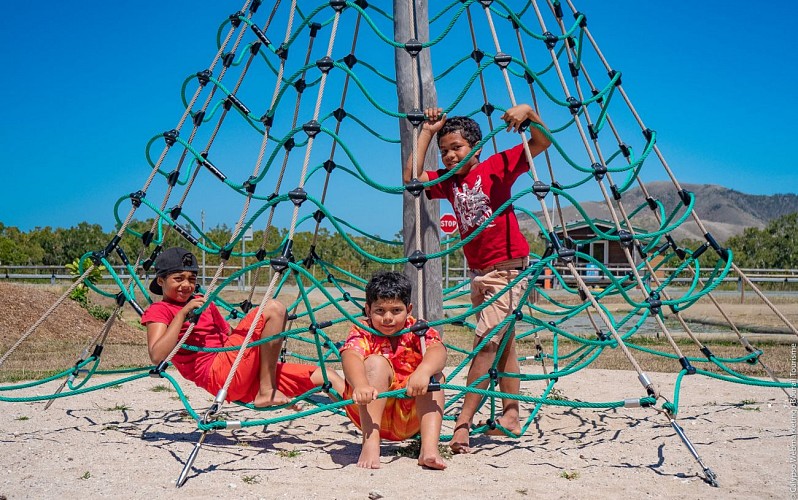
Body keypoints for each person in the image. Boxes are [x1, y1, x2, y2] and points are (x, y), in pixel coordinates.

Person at [402, 104, 551, 454]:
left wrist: (529, 113)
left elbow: (542, 142)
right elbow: (411, 180)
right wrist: (426, 132)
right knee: (503, 345)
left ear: (477, 148)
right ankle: (511, 416)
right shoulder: (448, 181)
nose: (451, 156)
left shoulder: (496, 165)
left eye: (457, 148)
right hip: (478, 273)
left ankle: (463, 424)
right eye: (445, 151)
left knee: (485, 344)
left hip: (509, 269)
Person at [142, 247, 344, 408]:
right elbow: (157, 355)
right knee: (273, 308)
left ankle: (370, 426)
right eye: (178, 279)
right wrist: (182, 314)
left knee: (327, 375)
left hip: (238, 368)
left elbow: (228, 334)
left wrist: (260, 340)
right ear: (160, 281)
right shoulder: (160, 310)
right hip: (218, 375)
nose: (186, 285)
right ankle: (267, 389)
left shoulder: (203, 303)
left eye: (192, 279)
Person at [341, 271, 447, 470]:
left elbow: (438, 350)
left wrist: (423, 371)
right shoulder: (363, 330)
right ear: (367, 309)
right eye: (379, 311)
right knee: (375, 363)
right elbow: (350, 356)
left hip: (411, 414)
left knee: (435, 375)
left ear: (409, 309)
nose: (387, 318)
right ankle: (371, 444)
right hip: (369, 413)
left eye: (396, 310)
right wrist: (361, 384)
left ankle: (429, 448)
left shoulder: (417, 329)